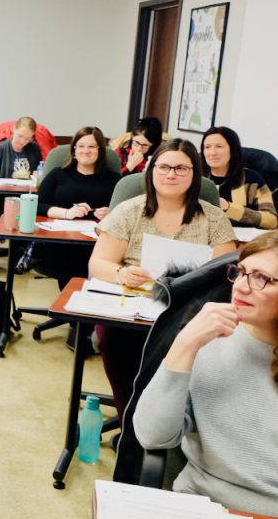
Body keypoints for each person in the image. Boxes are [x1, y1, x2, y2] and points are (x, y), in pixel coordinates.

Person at [89, 139, 237, 420]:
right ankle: (130, 420)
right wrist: (122, 273)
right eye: (165, 167)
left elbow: (224, 275)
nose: (171, 174)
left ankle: (170, 422)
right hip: (133, 306)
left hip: (191, 310)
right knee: (116, 340)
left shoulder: (213, 218)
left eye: (181, 168)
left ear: (195, 174)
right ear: (151, 170)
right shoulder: (129, 211)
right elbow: (98, 263)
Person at [133, 231, 278, 516]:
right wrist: (185, 343)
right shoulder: (208, 337)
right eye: (241, 273)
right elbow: (152, 436)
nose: (242, 287)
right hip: (202, 508)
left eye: (261, 278)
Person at [36, 127, 121, 289]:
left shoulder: (114, 179)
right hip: (62, 240)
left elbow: (126, 213)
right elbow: (38, 205)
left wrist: (110, 213)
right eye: (81, 146)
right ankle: (69, 305)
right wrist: (67, 213)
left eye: (91, 146)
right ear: (74, 149)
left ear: (100, 150)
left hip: (98, 241)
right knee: (69, 268)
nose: (85, 151)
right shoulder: (58, 174)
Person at [201, 126, 277, 229]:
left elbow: (271, 220)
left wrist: (229, 207)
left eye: (219, 146)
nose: (212, 153)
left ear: (232, 150)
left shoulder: (252, 179)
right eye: (207, 147)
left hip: (240, 241)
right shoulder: (195, 178)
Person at [0, 116, 42, 221]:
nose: (22, 142)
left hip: (26, 201)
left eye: (27, 139)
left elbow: (39, 170)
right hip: (0, 202)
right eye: (20, 136)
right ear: (14, 130)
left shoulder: (34, 149)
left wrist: (38, 175)